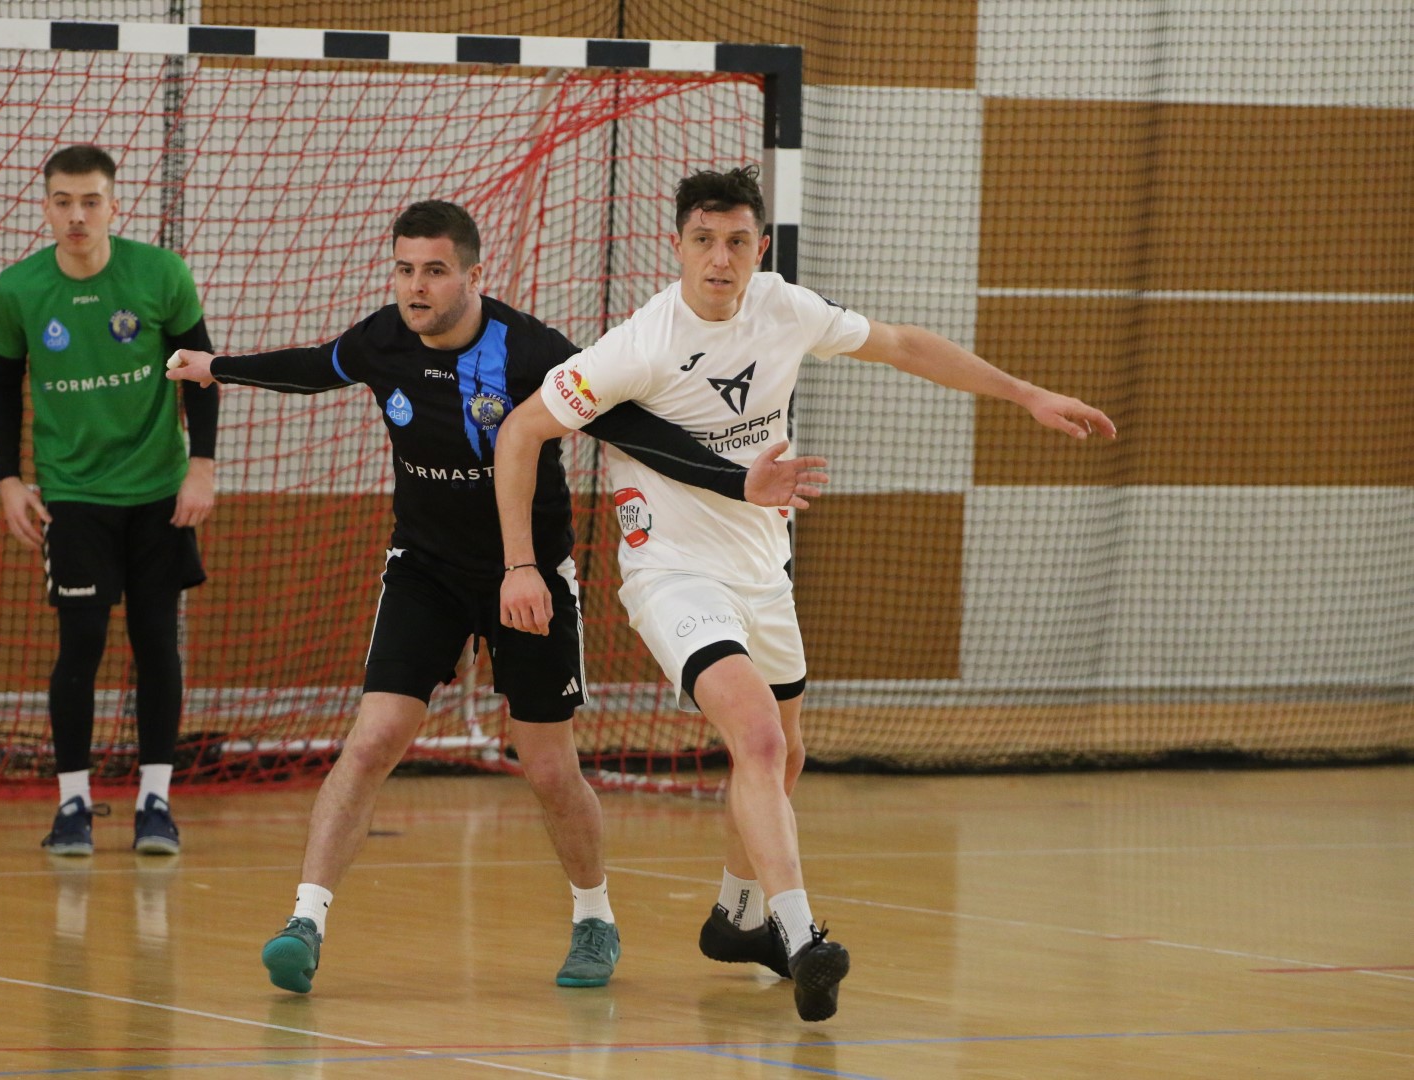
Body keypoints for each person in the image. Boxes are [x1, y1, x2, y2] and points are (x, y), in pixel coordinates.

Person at [493, 165, 1117, 1022]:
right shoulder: (638, 345)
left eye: (736, 242)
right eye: (704, 241)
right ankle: (801, 936)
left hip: (762, 567)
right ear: (677, 247)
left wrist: (1025, 393)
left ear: (760, 248)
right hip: (672, 571)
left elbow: (901, 344)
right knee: (753, 734)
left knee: (785, 752)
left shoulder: (784, 307)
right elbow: (521, 430)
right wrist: (520, 564)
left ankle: (737, 917)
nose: (720, 259)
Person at [163, 200, 825, 994]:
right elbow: (314, 367)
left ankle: (594, 918)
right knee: (373, 741)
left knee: (547, 767)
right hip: (425, 572)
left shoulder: (532, 351)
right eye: (405, 270)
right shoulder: (383, 339)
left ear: (474, 275)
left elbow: (632, 428)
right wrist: (218, 367)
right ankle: (305, 921)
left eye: (435, 271)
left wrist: (736, 481)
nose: (416, 287)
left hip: (530, 578)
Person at [0, 143, 219, 857]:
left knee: (155, 640)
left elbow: (197, 368)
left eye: (90, 201)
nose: (77, 215)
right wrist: (8, 478)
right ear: (46, 208)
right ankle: (73, 805)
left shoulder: (160, 273)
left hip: (157, 489)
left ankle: (156, 802)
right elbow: (1, 386)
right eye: (63, 202)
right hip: (73, 492)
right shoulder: (19, 289)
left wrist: (202, 466)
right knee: (81, 642)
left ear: (114, 206)